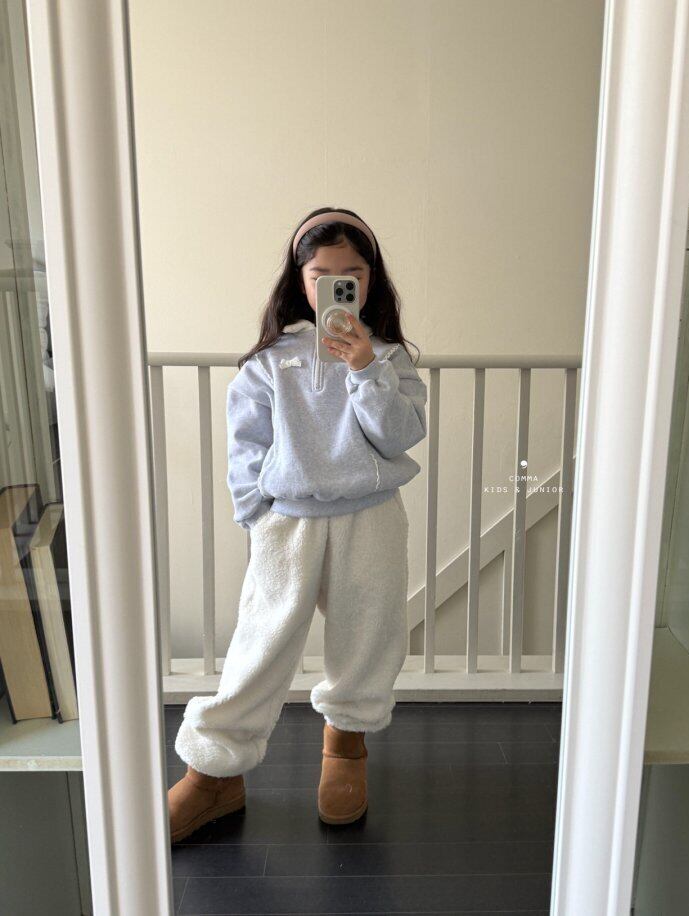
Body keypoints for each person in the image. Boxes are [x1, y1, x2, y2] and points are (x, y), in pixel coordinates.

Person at [168, 207, 428, 843]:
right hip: (288, 523)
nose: (339, 286)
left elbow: (399, 436)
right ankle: (213, 773)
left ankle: (345, 748)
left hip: (370, 517)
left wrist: (365, 369)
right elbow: (245, 446)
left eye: (353, 274)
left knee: (368, 636)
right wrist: (256, 514)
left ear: (371, 279)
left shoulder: (388, 357)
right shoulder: (269, 362)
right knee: (259, 644)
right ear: (300, 280)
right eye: (323, 276)